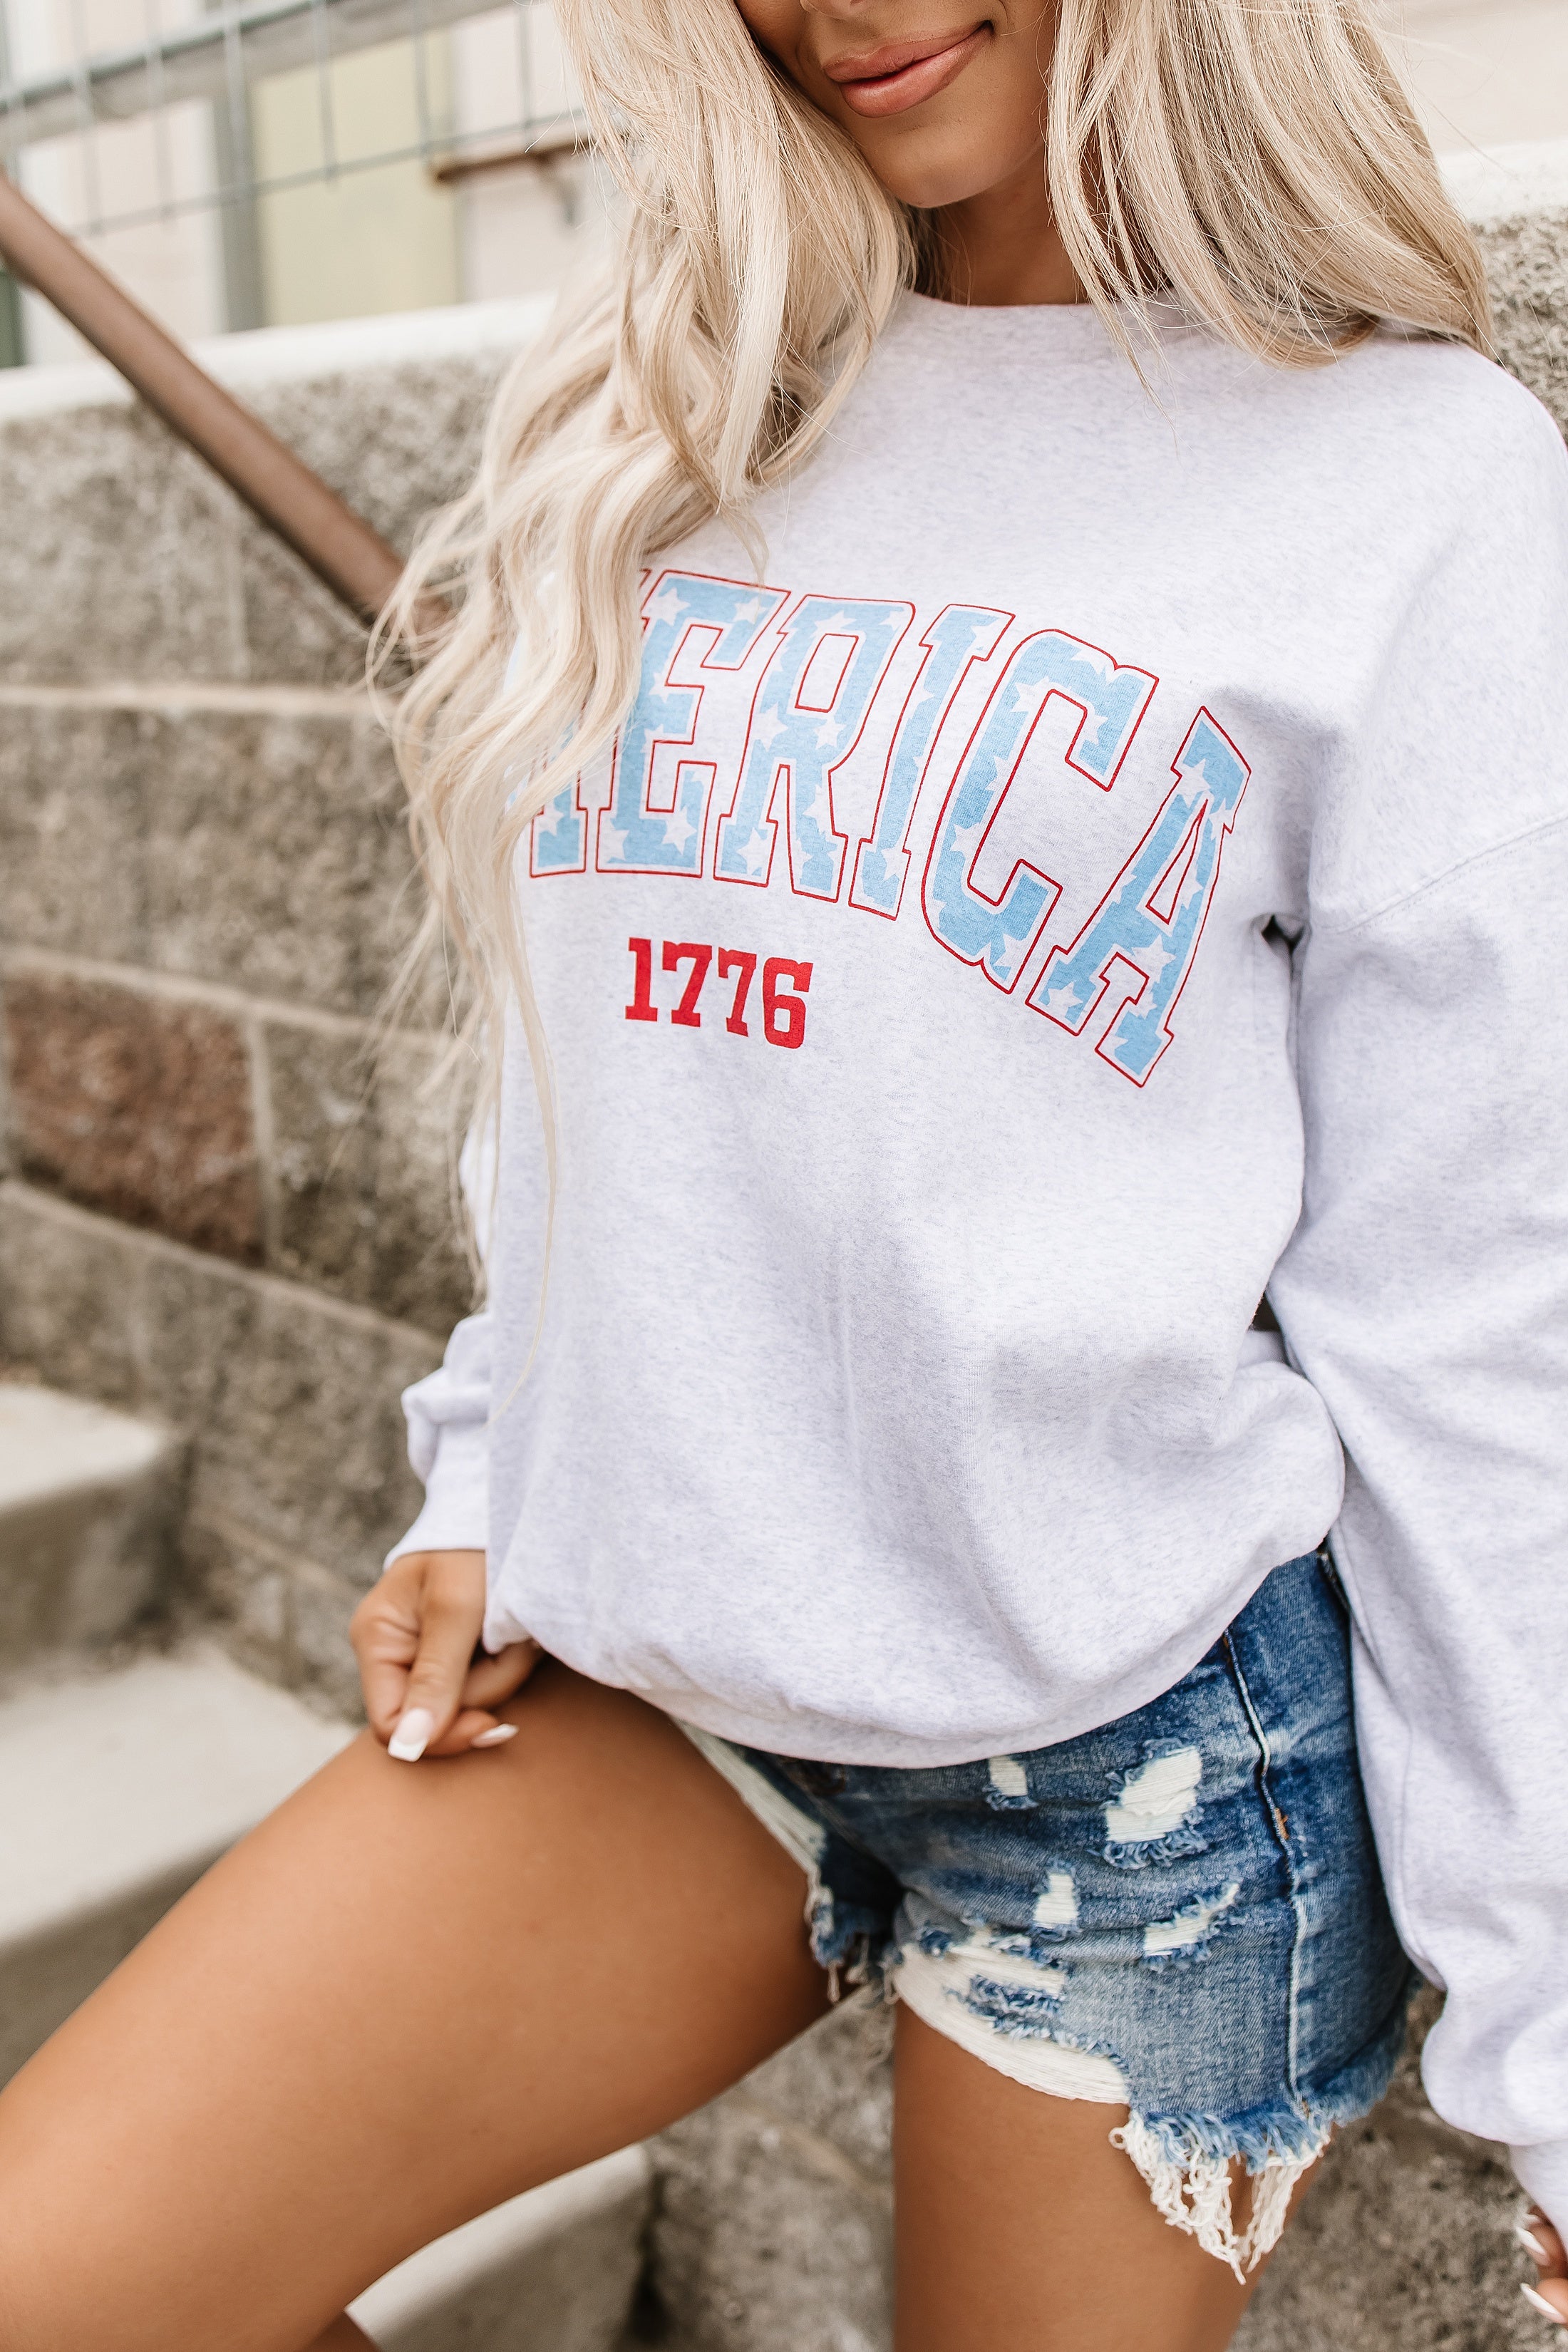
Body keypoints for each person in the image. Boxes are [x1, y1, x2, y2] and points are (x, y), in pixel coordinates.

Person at [4, 2, 1567, 2346]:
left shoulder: (1415, 481)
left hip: (1144, 1752)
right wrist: (495, 1454)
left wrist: (1558, 2051)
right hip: (689, 1669)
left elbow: (1479, 1317)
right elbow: (603, 1044)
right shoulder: (682, 398)